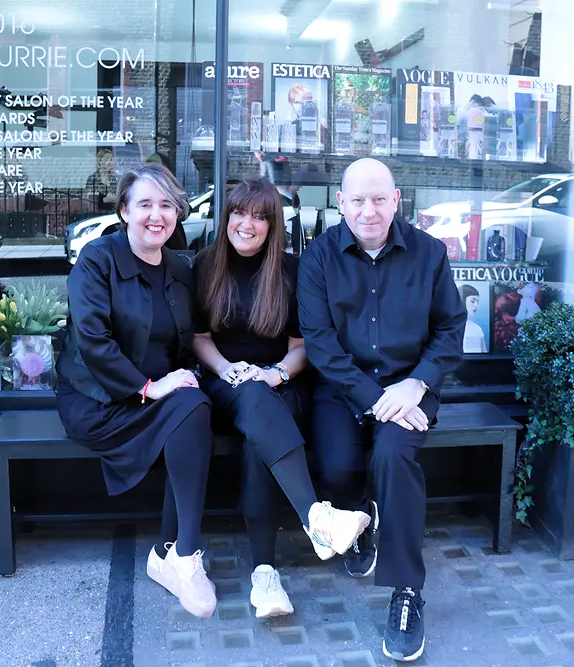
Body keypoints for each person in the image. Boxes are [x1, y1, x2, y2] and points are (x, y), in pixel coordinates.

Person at [298, 158, 466, 662]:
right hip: (344, 388)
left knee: (392, 456)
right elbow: (321, 345)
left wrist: (415, 384)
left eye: (378, 199)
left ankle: (407, 591)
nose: (368, 210)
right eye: (357, 200)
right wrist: (376, 400)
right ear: (341, 204)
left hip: (411, 388)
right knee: (333, 464)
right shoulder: (318, 259)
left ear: (397, 200)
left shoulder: (430, 254)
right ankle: (362, 524)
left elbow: (449, 331)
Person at [193, 178, 371, 619]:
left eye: (259, 216)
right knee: (252, 403)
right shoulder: (204, 265)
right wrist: (226, 369)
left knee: (260, 432)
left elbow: (303, 346)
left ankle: (264, 575)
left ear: (274, 226)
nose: (247, 224)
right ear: (226, 217)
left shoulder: (293, 271)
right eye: (239, 212)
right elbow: (199, 338)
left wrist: (273, 374)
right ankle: (317, 518)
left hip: (283, 384)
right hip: (224, 381)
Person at [55, 163, 217, 618]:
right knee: (188, 409)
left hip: (159, 396)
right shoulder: (97, 260)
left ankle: (181, 556)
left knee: (194, 404)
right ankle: (175, 558)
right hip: (98, 401)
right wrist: (148, 386)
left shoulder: (181, 271)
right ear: (124, 210)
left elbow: (187, 344)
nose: (156, 215)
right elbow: (92, 341)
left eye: (167, 205)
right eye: (145, 204)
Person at [458, 284, 488, 353]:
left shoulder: (477, 329)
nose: (476, 306)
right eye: (472, 301)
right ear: (462, 300)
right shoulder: (448, 328)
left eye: (477, 302)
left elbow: (484, 355)